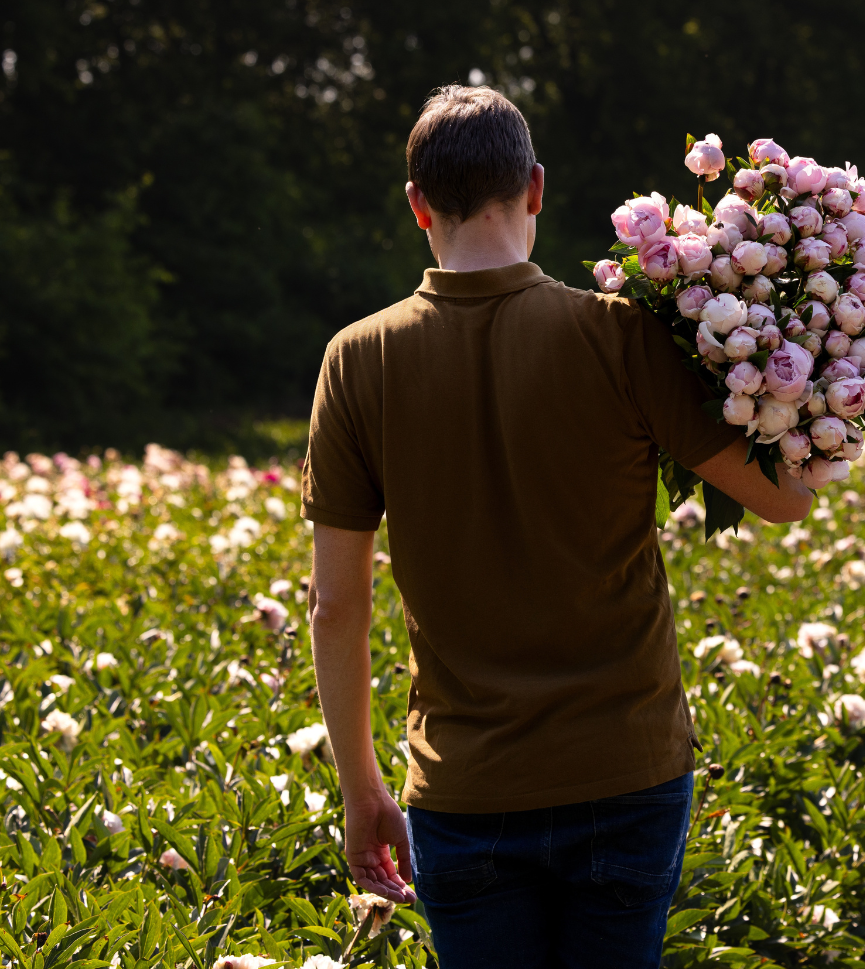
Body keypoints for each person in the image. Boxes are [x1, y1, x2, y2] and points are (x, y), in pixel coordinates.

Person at [301, 85, 811, 967]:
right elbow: (784, 498)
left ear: (418, 204)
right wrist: (815, 366)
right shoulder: (619, 337)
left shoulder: (358, 359)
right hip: (627, 770)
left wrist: (361, 790)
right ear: (535, 187)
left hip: (465, 786)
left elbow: (335, 606)